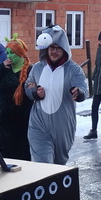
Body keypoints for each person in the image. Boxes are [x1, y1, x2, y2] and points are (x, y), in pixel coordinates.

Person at [24, 25, 88, 164]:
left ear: (64, 49)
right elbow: (28, 86)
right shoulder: (37, 68)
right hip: (38, 124)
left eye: (58, 48)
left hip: (62, 126)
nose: (54, 51)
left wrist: (79, 92)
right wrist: (35, 92)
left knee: (58, 166)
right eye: (51, 48)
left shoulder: (74, 70)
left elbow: (84, 89)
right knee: (43, 164)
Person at [0, 35, 32, 161]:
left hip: (23, 118)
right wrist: (0, 67)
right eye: (8, 53)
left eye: (12, 53)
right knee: (5, 150)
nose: (9, 56)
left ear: (20, 54)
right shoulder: (4, 69)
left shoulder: (30, 70)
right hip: (5, 118)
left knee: (22, 151)